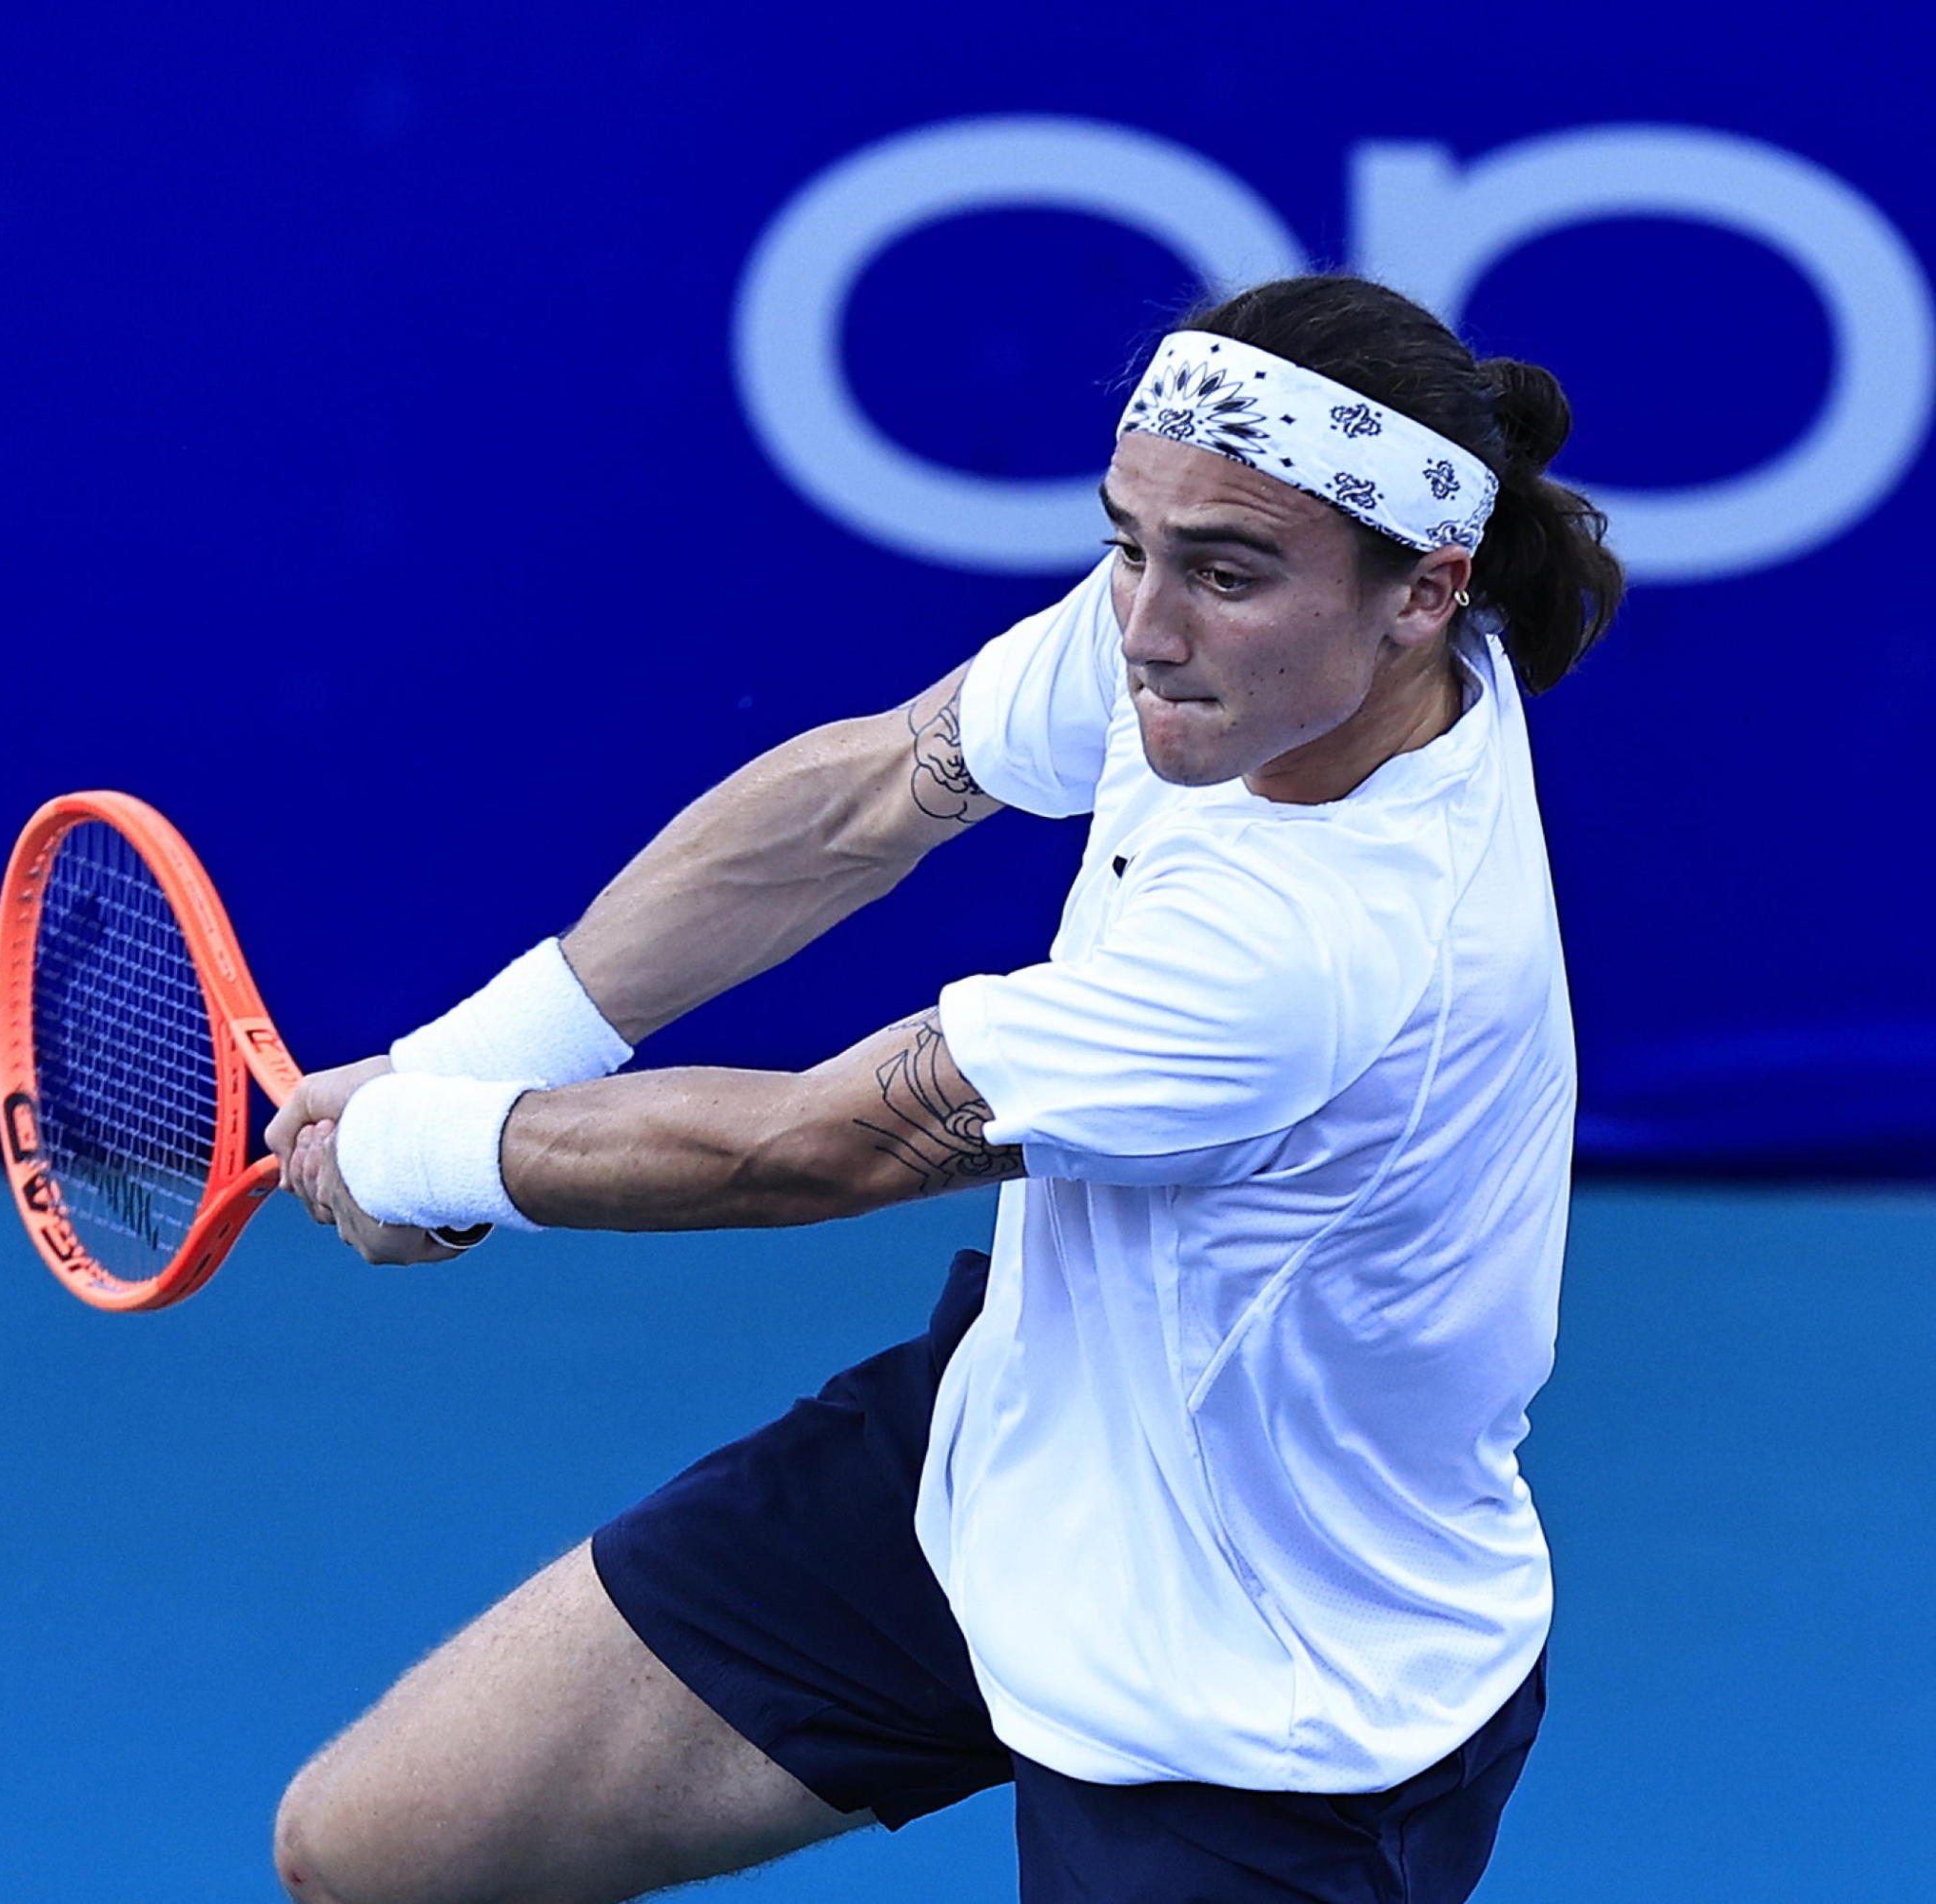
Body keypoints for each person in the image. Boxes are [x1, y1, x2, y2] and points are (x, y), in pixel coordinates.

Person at [263, 273, 1625, 1904]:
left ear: (1426, 595)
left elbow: (813, 1148)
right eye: (1130, 545)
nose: (1145, 624)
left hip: (1261, 1706)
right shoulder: (1233, 650)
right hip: (1001, 1458)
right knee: (376, 1851)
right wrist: (467, 1065)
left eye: (1224, 574)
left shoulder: (1311, 948)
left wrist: (425, 1153)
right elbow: (858, 805)